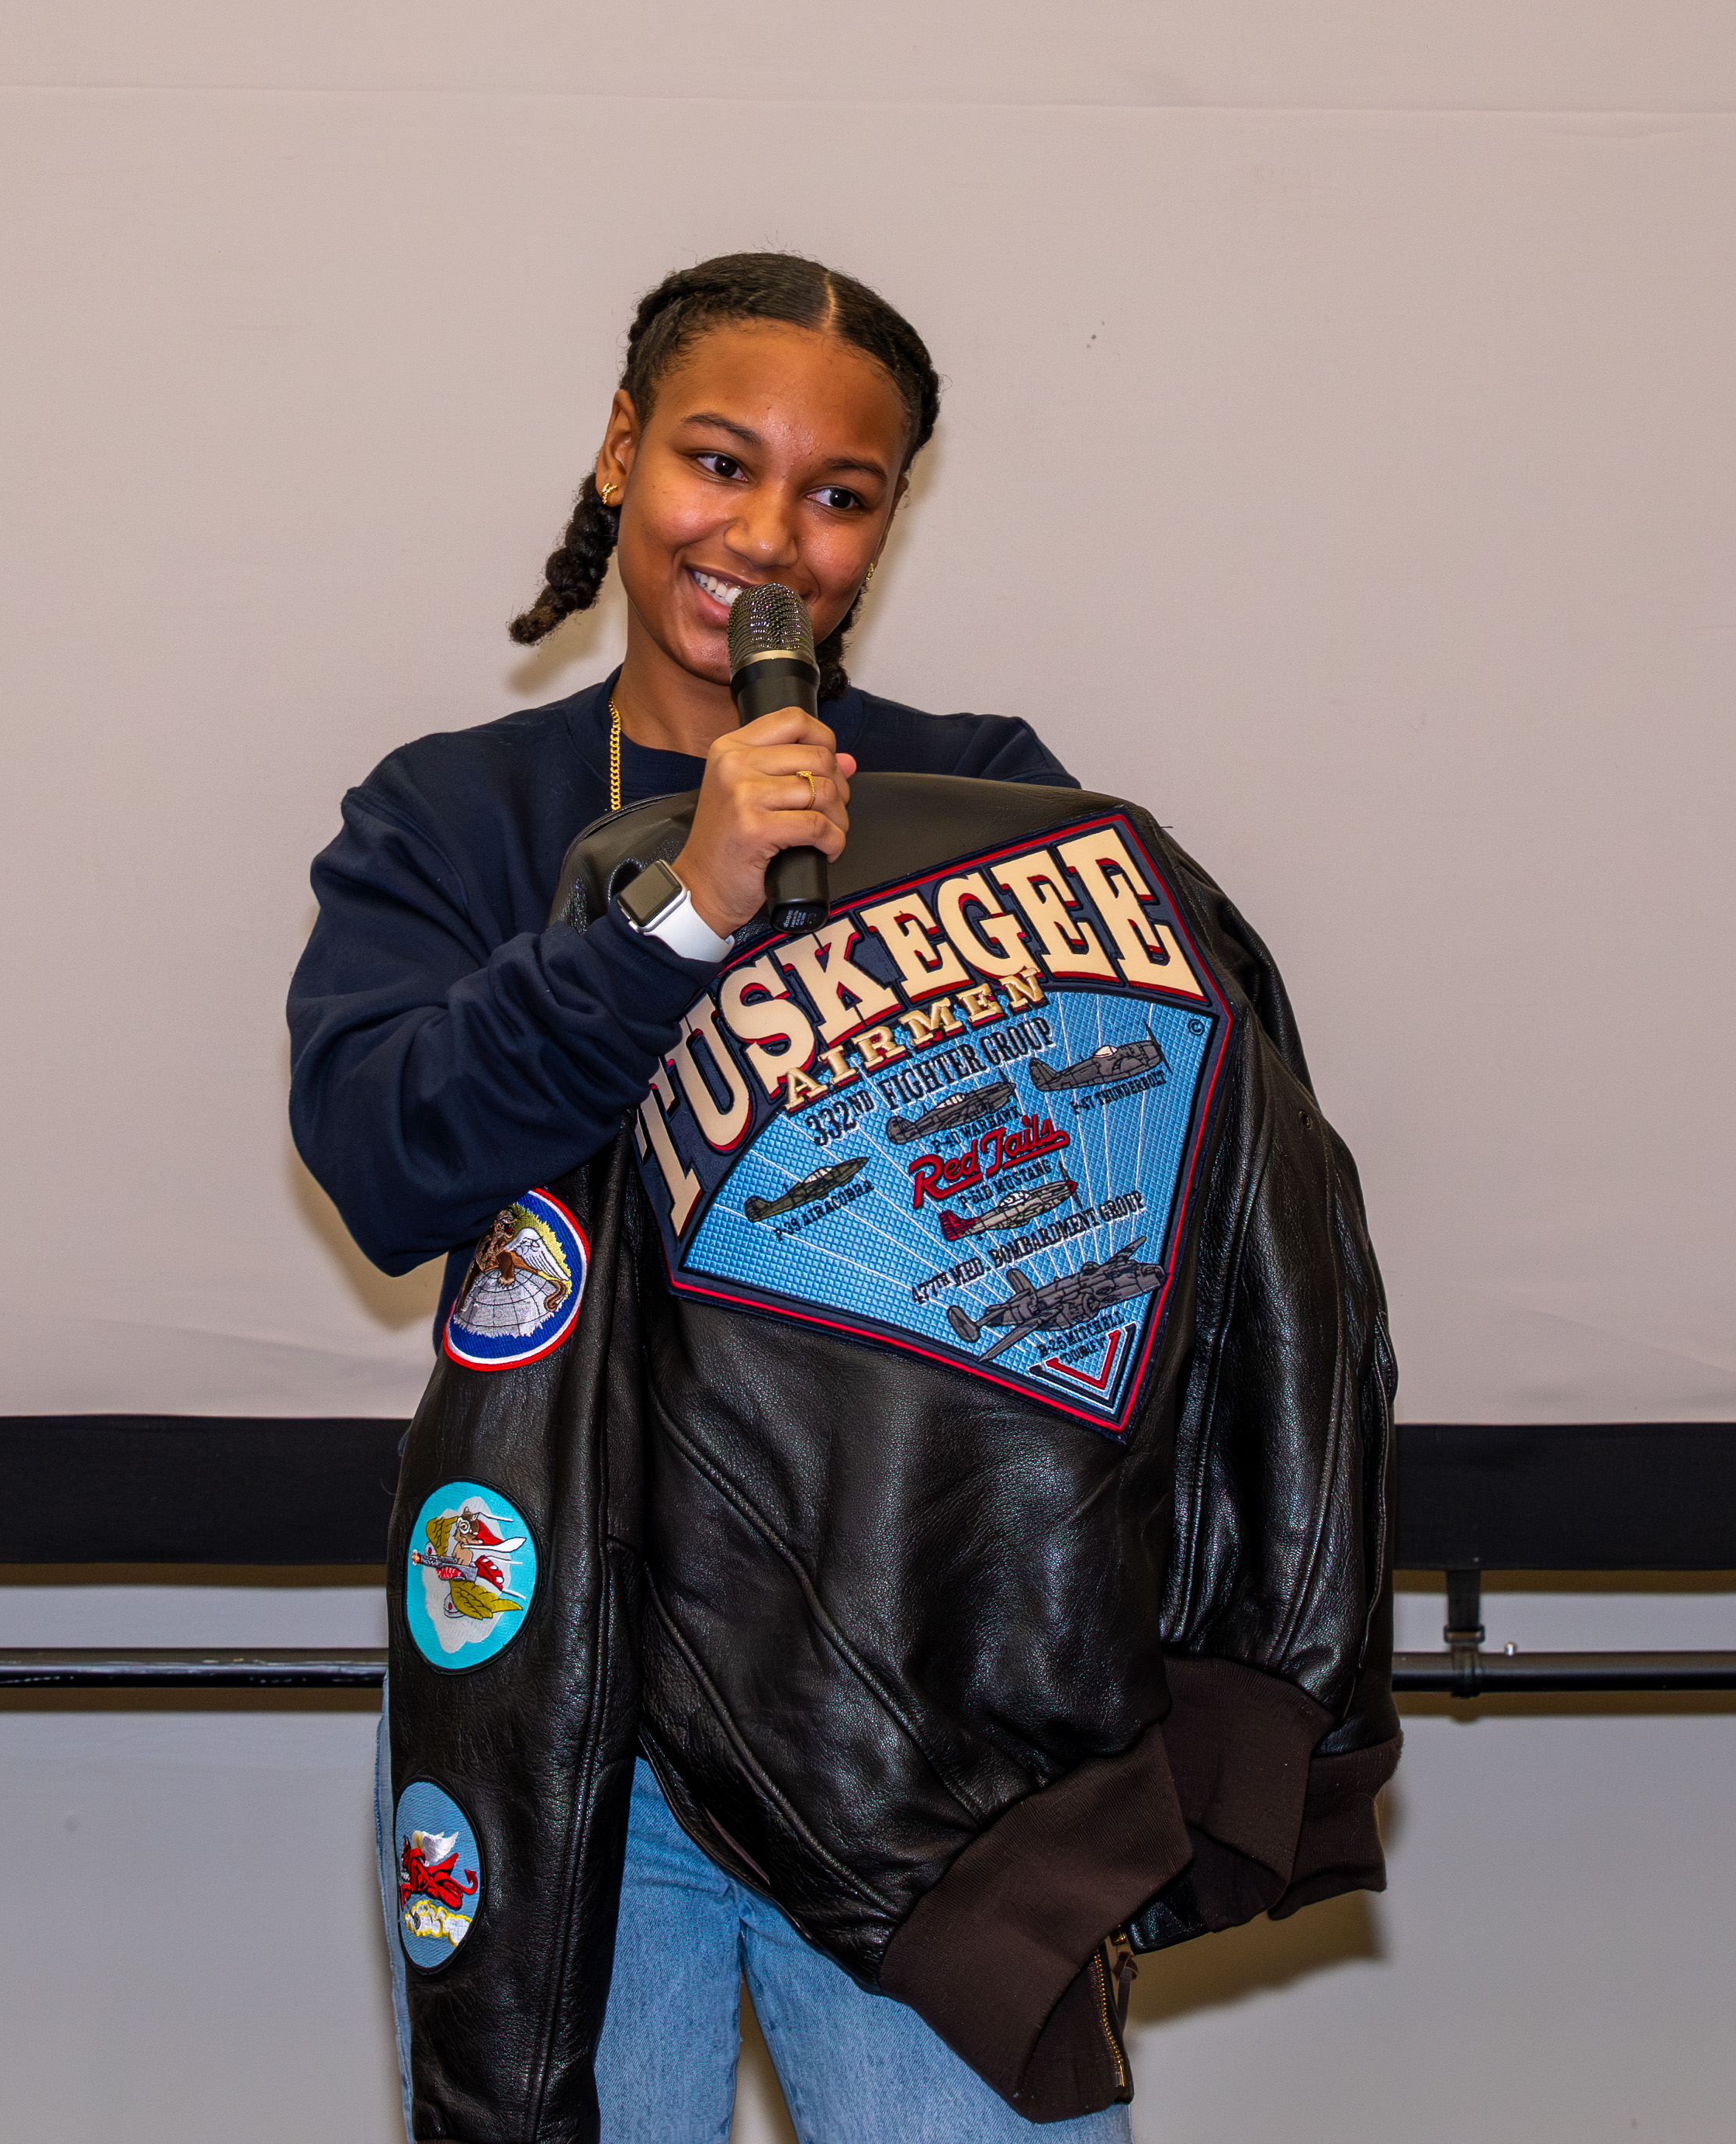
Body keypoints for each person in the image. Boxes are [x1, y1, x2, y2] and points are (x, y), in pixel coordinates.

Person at [287, 253, 1129, 2141]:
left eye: (837, 495)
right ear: (616, 453)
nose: (768, 536)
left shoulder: (989, 798)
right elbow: (382, 1154)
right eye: (717, 463)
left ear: (885, 526)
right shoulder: (451, 816)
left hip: (926, 1700)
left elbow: (1078, 1213)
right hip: (562, 1700)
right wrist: (682, 911)